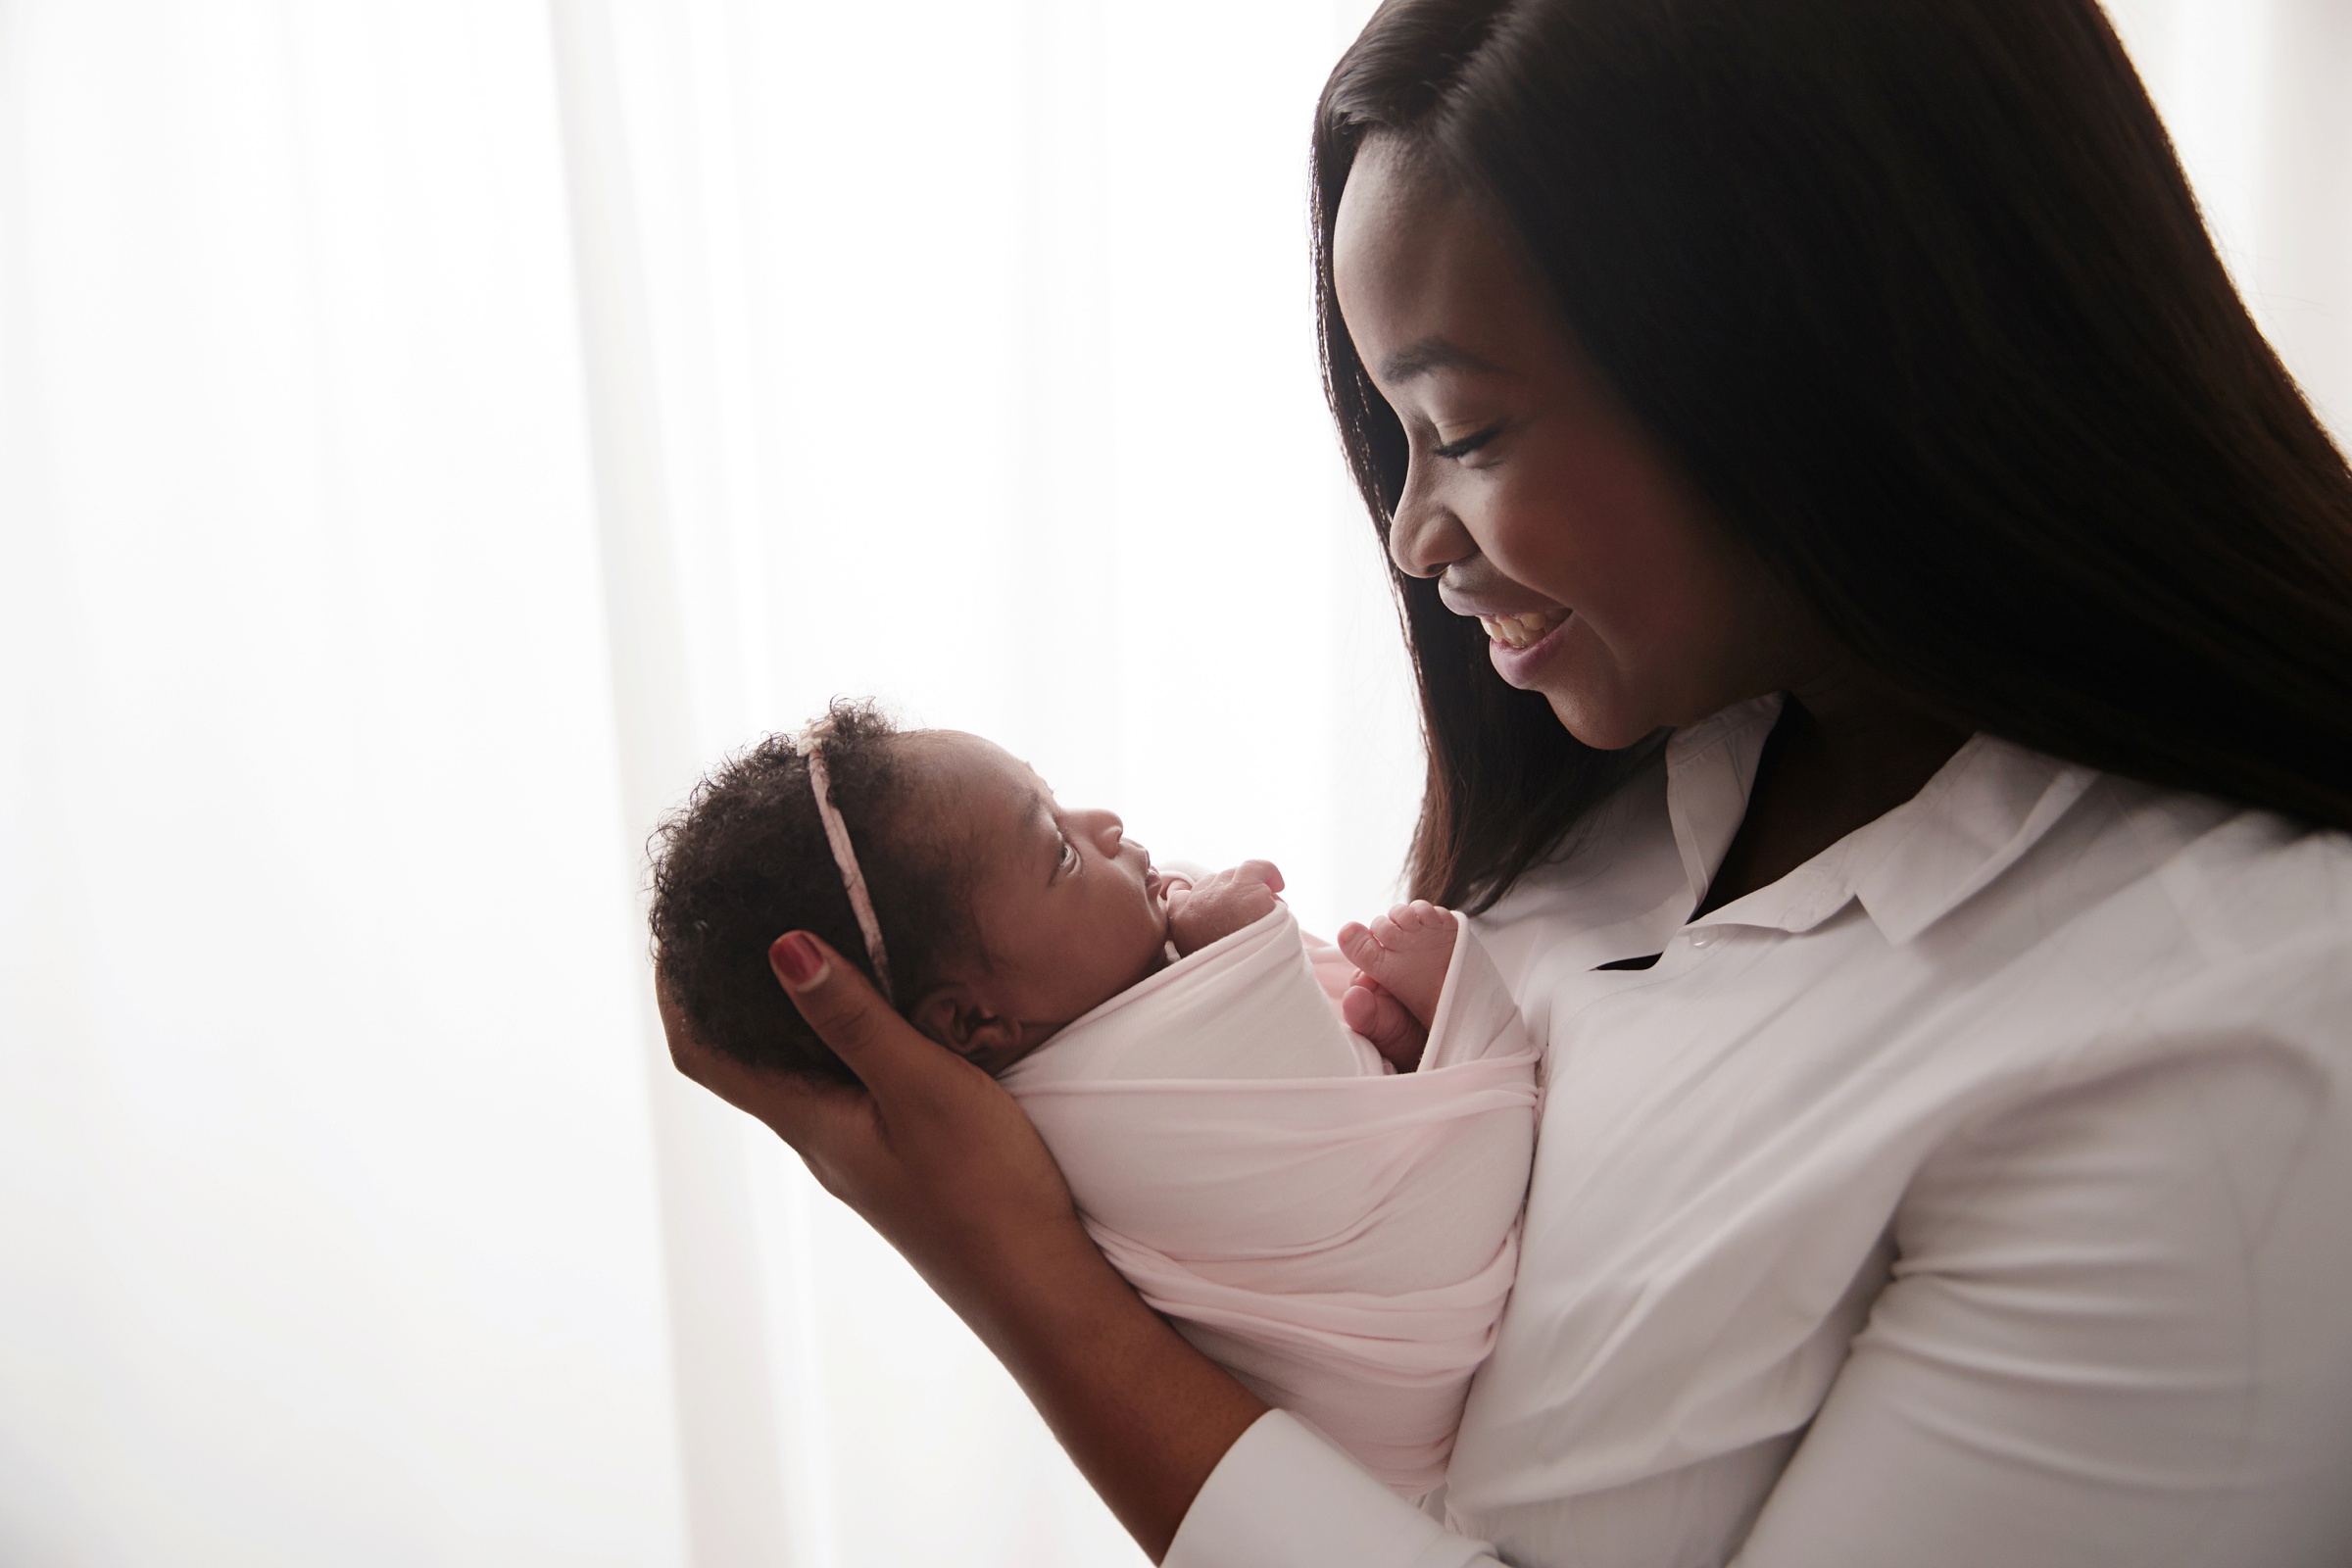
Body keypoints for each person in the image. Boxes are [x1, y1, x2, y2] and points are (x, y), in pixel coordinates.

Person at [661, 0, 2352, 1562]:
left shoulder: (2225, 1054)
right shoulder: (1642, 778)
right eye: (1393, 437)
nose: (1411, 536)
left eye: (1462, 433)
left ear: (1818, 362)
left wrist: (1029, 1286)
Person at [648, 703, 1541, 1491]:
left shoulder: (1085, 1024)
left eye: (1058, 797)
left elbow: (1312, 1130)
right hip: (1405, 1342)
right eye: (1061, 855)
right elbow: (1339, 1178)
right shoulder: (1092, 1100)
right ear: (974, 1024)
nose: (1105, 823)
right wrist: (1243, 940)